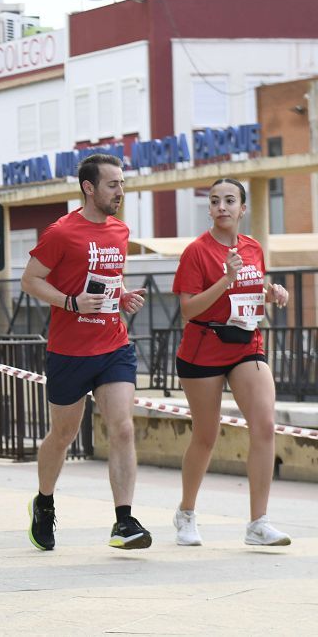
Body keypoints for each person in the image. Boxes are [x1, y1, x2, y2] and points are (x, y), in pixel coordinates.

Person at [19, 153, 150, 551]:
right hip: (70, 351)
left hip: (113, 344)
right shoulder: (62, 232)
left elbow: (110, 277)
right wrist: (70, 302)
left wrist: (121, 295)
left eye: (122, 184)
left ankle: (124, 522)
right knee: (63, 434)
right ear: (89, 188)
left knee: (123, 427)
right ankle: (43, 503)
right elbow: (30, 280)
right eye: (113, 185)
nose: (120, 192)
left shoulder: (120, 231)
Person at [171, 178, 292, 547]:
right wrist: (226, 279)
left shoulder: (253, 247)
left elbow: (253, 294)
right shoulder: (196, 252)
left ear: (243, 209)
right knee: (206, 436)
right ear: (208, 209)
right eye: (214, 201)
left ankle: (258, 523)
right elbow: (188, 310)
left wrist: (273, 294)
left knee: (265, 425)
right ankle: (186, 513)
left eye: (229, 200)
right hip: (204, 347)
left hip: (245, 345)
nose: (222, 206)